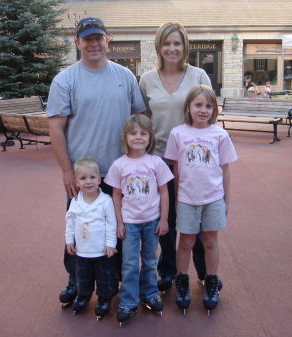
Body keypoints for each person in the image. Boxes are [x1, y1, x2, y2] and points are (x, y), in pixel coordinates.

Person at [46, 17, 146, 309]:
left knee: (120, 231)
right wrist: (67, 171)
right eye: (87, 39)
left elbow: (139, 120)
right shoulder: (65, 80)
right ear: (77, 43)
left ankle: (119, 280)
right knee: (81, 229)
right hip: (84, 176)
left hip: (120, 174)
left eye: (98, 38)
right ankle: (76, 281)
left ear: (108, 40)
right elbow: (56, 129)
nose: (93, 44)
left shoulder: (125, 76)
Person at [139, 21, 211, 293]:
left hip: (193, 164)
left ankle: (204, 271)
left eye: (177, 43)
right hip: (160, 162)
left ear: (185, 47)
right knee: (166, 221)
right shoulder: (147, 79)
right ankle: (168, 271)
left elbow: (209, 115)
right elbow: (143, 120)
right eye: (167, 43)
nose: (172, 48)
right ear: (159, 46)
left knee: (197, 218)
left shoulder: (199, 75)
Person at [164, 84, 238, 314]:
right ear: (188, 107)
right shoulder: (178, 133)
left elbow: (225, 169)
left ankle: (211, 281)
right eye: (198, 105)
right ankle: (182, 280)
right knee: (185, 242)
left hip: (213, 198)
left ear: (214, 109)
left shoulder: (220, 134)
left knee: (209, 242)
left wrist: (226, 199)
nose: (203, 110)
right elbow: (176, 169)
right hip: (187, 198)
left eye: (208, 106)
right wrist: (176, 199)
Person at [104, 114, 173, 325]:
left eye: (143, 133)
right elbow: (116, 194)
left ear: (150, 137)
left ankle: (150, 293)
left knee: (150, 261)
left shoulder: (156, 162)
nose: (138, 137)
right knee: (129, 263)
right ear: (124, 137)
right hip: (130, 223)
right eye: (133, 133)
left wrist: (164, 219)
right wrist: (119, 222)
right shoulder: (119, 165)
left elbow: (164, 192)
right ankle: (128, 300)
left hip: (152, 221)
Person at [65, 157, 118, 318]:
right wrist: (69, 241)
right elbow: (70, 222)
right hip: (82, 250)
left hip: (102, 250)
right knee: (83, 276)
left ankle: (104, 298)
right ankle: (84, 295)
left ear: (99, 180)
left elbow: (111, 223)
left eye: (92, 177)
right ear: (76, 182)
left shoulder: (106, 201)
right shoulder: (75, 201)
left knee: (105, 276)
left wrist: (110, 244)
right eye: (83, 178)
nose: (88, 182)